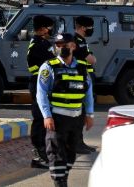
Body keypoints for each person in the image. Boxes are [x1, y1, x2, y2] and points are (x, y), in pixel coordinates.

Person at [37, 33, 94, 187]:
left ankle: (63, 179)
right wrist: (47, 116)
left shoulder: (82, 68)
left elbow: (88, 93)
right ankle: (60, 183)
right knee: (56, 155)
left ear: (73, 46)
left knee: (70, 155)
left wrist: (89, 114)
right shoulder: (49, 66)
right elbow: (41, 93)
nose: (61, 47)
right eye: (58, 45)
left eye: (64, 44)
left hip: (76, 120)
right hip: (57, 119)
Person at [27, 15, 55, 169]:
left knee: (43, 118)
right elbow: (49, 63)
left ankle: (43, 153)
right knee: (39, 119)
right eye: (48, 26)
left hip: (43, 84)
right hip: (39, 85)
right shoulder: (38, 45)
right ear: (43, 28)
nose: (50, 29)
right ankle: (38, 155)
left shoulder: (43, 43)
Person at [73, 16, 97, 154]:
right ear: (82, 27)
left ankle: (79, 142)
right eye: (89, 27)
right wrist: (93, 59)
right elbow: (90, 59)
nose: (91, 30)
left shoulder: (80, 40)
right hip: (78, 79)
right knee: (79, 113)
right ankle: (76, 144)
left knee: (81, 113)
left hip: (82, 78)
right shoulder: (78, 41)